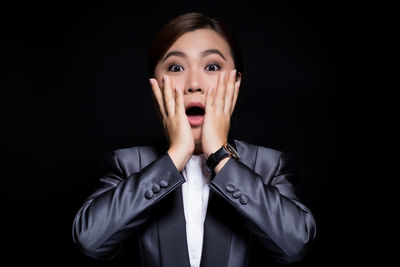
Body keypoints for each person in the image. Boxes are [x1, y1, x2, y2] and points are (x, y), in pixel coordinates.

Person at [72, 12, 316, 266]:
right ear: (155, 85)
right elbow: (91, 241)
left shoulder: (269, 164)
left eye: (212, 67)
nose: (194, 84)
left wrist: (221, 157)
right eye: (176, 67)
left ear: (236, 81)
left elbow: (295, 246)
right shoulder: (127, 163)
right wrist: (176, 155)